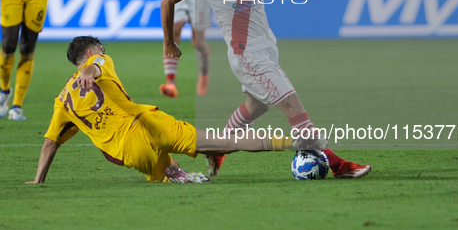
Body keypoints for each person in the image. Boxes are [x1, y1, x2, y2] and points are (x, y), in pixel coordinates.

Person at [161, 0, 372, 179]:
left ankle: (217, 148)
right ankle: (337, 165)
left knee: (257, 105)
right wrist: (170, 42)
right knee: (293, 106)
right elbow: (167, 1)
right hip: (246, 53)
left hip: (267, 46)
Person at [25, 36, 321, 184]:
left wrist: (38, 181)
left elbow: (50, 142)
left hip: (129, 151)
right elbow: (96, 67)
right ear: (90, 52)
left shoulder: (61, 101)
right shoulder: (100, 61)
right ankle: (293, 142)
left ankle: (177, 174)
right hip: (149, 122)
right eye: (99, 49)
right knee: (222, 141)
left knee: (166, 171)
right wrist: (90, 71)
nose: (102, 52)